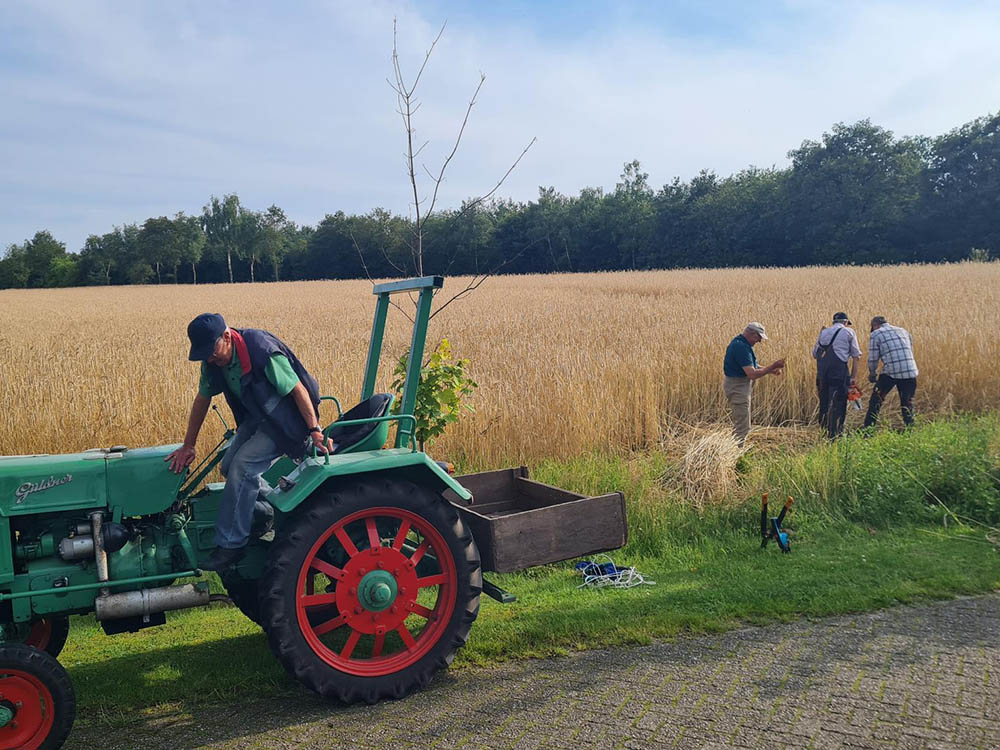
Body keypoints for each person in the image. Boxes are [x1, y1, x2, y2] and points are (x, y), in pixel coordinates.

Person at [166, 313, 331, 571]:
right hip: (257, 417)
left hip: (286, 421)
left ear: (227, 337)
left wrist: (314, 430)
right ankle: (269, 509)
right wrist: (189, 445)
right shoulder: (213, 362)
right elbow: (202, 400)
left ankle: (232, 544)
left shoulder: (261, 350)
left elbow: (298, 389)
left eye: (212, 351)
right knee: (228, 466)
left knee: (243, 467)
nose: (209, 358)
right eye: (204, 354)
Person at [722, 322, 785, 444]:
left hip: (738, 386)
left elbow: (752, 366)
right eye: (759, 337)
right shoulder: (741, 347)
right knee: (742, 425)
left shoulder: (740, 343)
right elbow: (752, 374)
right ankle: (737, 452)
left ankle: (736, 448)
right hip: (737, 388)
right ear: (751, 334)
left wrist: (770, 370)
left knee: (742, 421)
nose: (760, 341)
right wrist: (773, 366)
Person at [813, 312, 861, 439]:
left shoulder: (823, 332)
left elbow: (814, 354)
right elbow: (856, 356)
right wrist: (853, 377)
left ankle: (823, 433)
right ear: (846, 322)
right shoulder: (849, 332)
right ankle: (836, 435)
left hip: (822, 374)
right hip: (839, 373)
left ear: (834, 322)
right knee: (838, 403)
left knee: (824, 402)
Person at [864, 316, 918, 429]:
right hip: (911, 371)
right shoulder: (903, 330)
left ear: (874, 326)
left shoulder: (876, 334)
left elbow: (873, 358)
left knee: (876, 400)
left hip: (891, 372)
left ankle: (868, 429)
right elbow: (910, 351)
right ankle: (910, 429)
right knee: (907, 403)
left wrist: (872, 373)